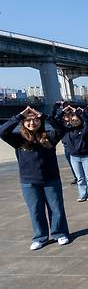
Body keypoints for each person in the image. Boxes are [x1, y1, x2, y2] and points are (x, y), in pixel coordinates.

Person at [0, 106, 70, 250]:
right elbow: (2, 131)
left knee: (56, 208)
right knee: (35, 210)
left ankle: (59, 233)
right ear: (23, 123)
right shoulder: (17, 139)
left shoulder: (49, 136)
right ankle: (40, 237)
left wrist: (44, 116)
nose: (32, 123)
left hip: (51, 179)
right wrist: (19, 116)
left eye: (35, 120)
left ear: (40, 121)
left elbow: (62, 129)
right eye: (28, 120)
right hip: (29, 182)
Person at [53, 105, 88, 202]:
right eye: (72, 120)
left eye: (76, 119)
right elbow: (55, 121)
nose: (74, 121)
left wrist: (78, 112)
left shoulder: (84, 129)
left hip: (86, 155)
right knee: (80, 178)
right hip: (74, 157)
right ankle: (83, 195)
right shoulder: (66, 130)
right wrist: (63, 111)